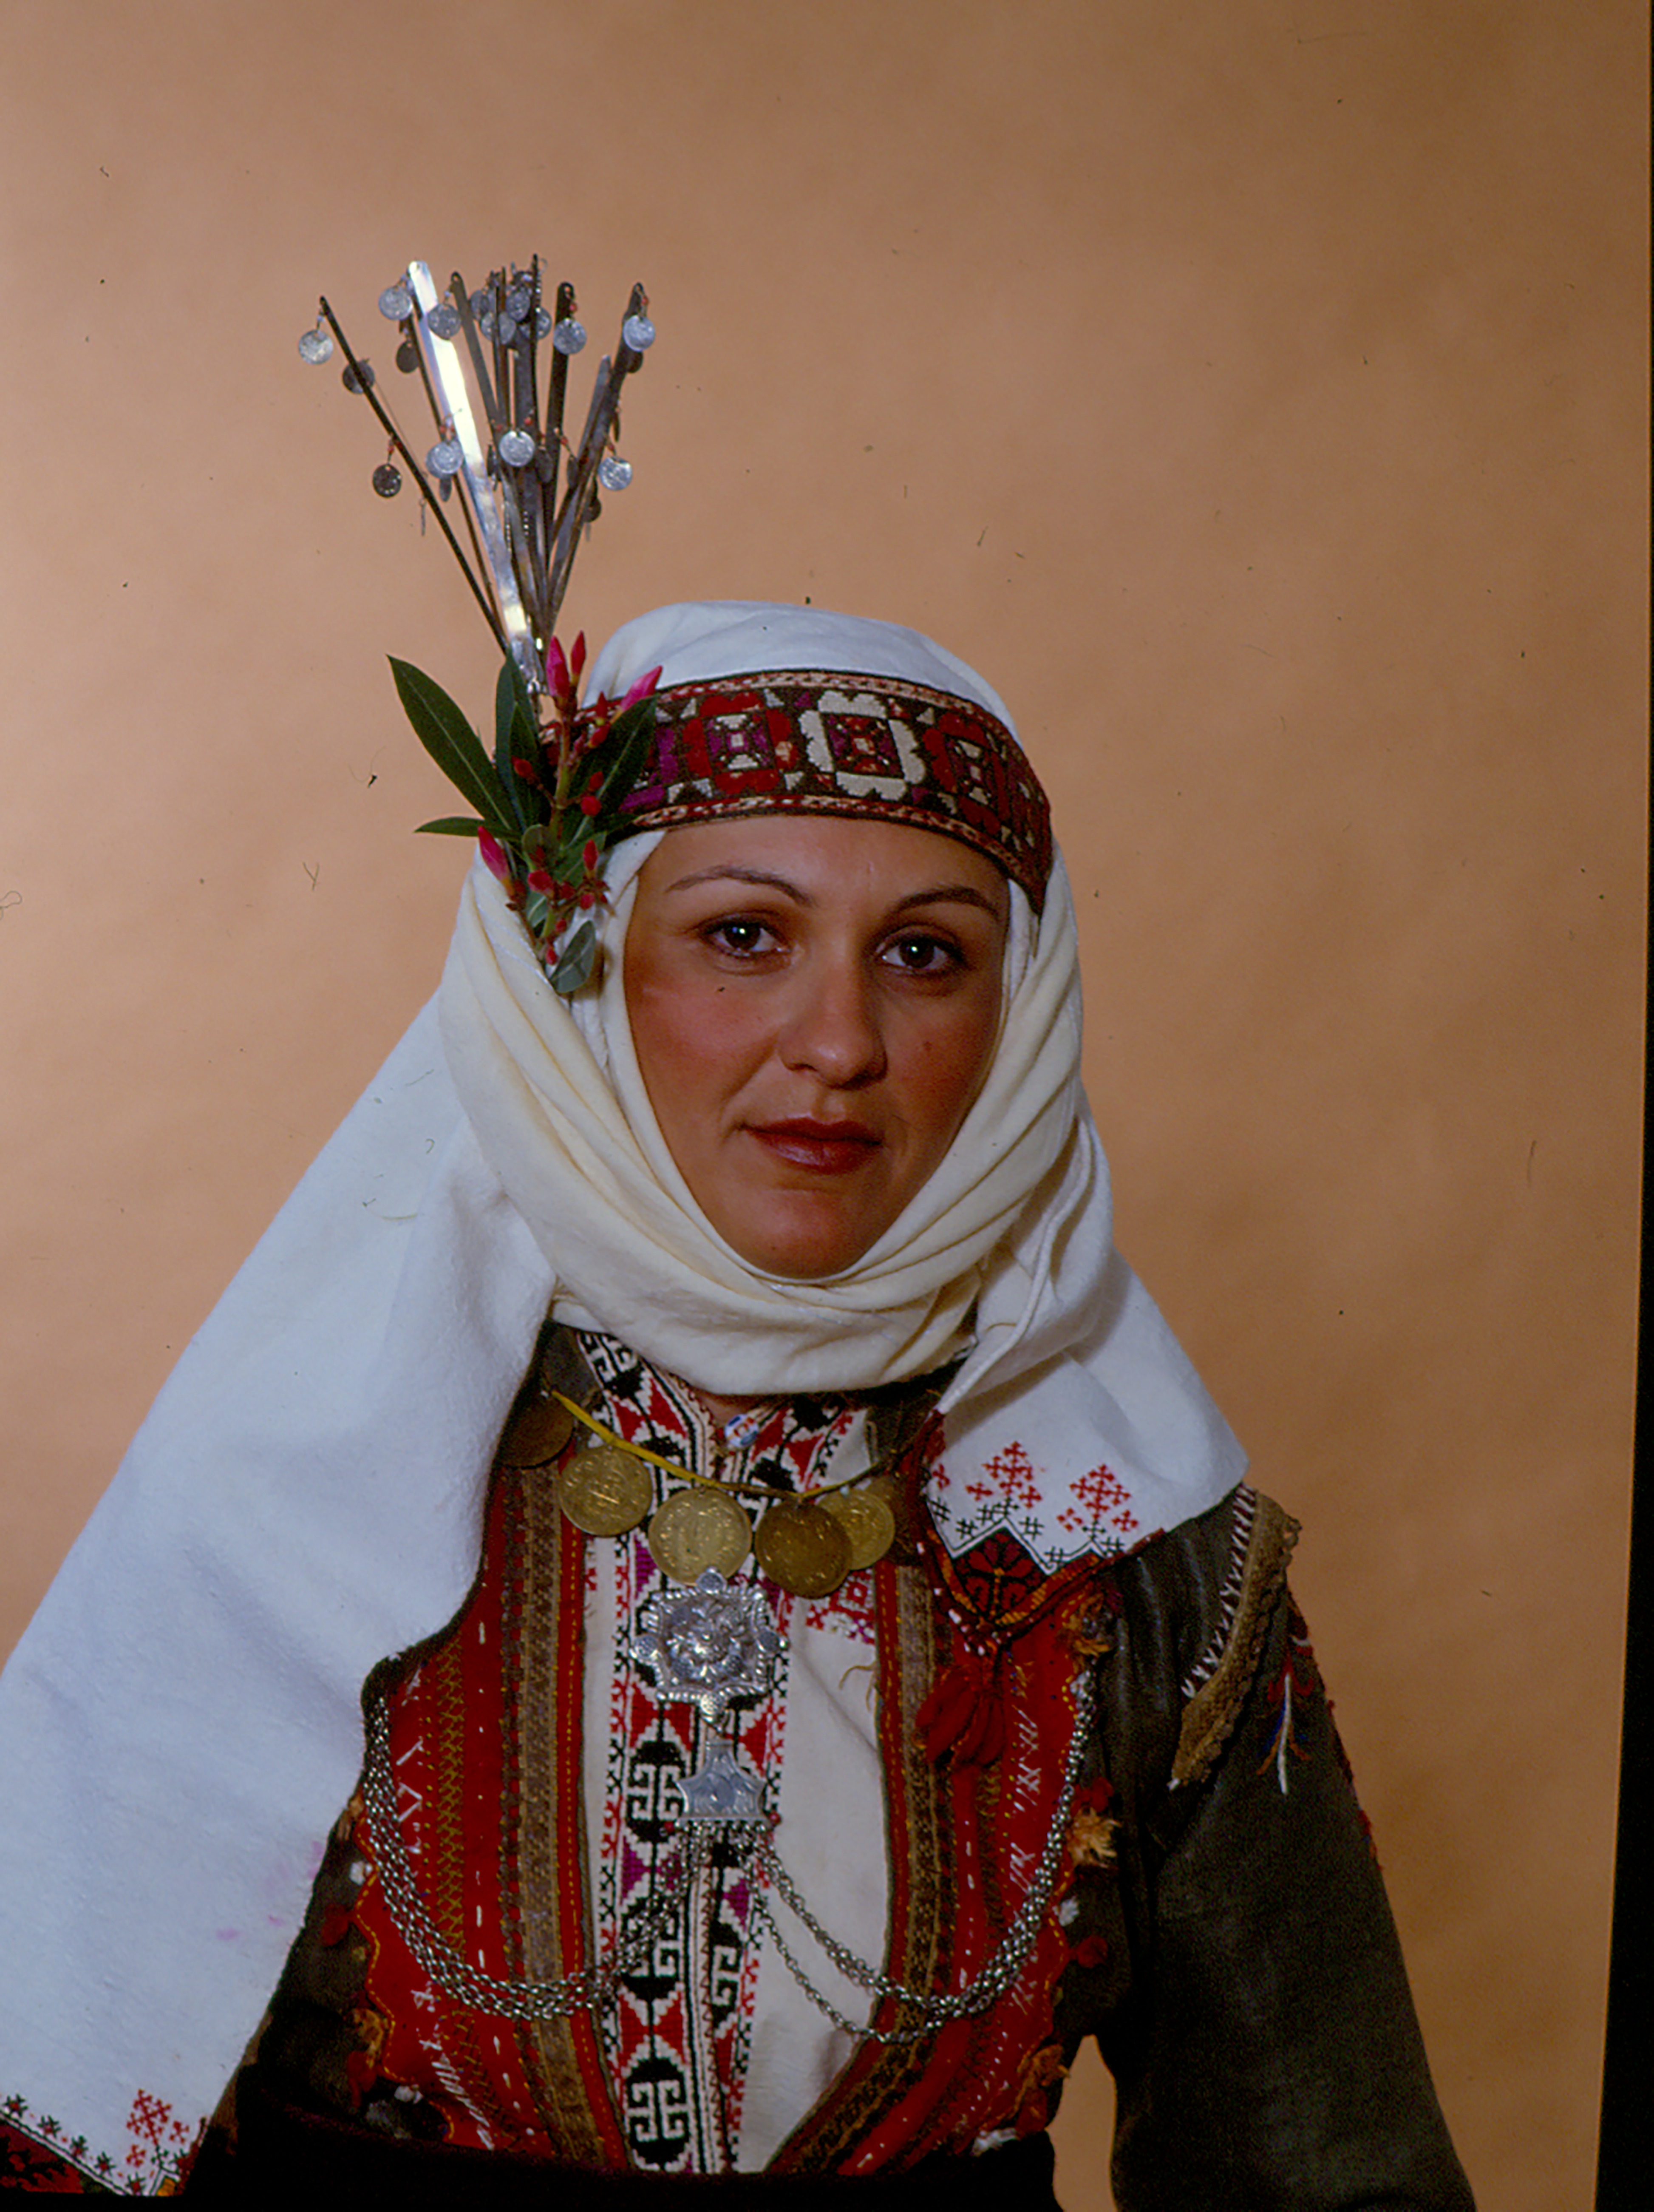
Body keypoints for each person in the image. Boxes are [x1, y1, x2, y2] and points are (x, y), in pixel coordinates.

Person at [0, 601, 1473, 2206]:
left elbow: (1328, 2169)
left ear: (1023, 1009)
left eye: (923, 954)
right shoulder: (294, 1497)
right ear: (568, 971)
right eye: (745, 936)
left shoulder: (1135, 1554)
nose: (838, 1043)